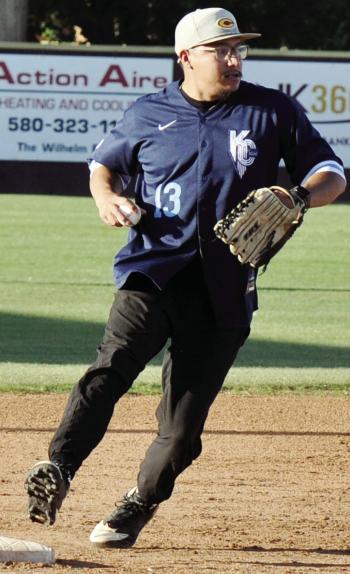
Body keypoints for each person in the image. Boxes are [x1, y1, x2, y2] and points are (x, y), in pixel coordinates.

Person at [25, 7, 346, 549]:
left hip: (224, 293)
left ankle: (137, 503)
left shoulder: (272, 112)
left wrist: (300, 196)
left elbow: (332, 172)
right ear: (185, 58)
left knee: (180, 434)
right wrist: (107, 198)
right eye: (220, 49)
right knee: (110, 370)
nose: (232, 58)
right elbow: (103, 165)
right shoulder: (150, 112)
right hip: (153, 272)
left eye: (237, 48)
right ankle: (58, 467)